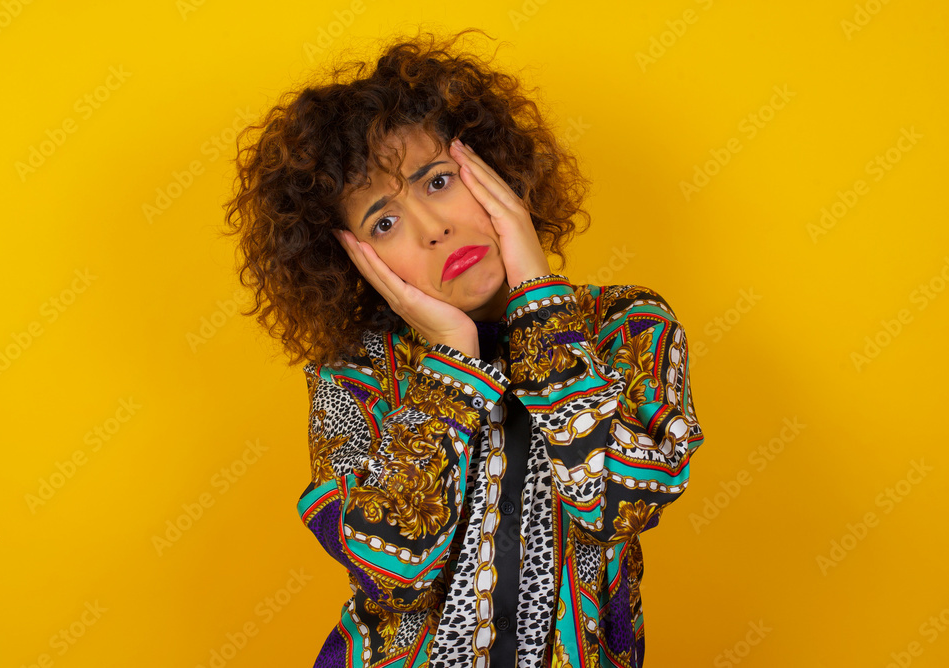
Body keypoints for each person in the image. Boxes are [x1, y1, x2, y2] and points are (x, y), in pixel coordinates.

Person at [225, 28, 705, 668]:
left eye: (438, 181)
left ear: (494, 169)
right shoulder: (355, 377)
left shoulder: (626, 326)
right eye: (385, 222)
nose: (434, 228)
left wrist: (538, 296)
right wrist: (454, 361)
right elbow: (393, 573)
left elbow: (620, 500)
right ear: (352, 259)